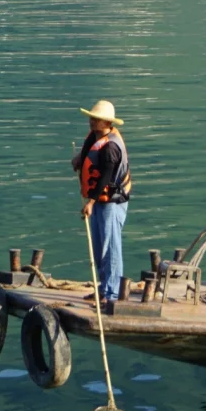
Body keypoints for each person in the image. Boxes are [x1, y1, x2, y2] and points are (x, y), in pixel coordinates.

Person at [73, 99, 131, 313]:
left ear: (106, 123)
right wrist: (79, 158)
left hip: (111, 203)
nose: (91, 121)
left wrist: (90, 202)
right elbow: (88, 151)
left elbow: (105, 177)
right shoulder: (94, 138)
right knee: (99, 246)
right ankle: (104, 287)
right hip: (98, 201)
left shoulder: (111, 148)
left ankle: (112, 293)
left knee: (110, 246)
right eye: (91, 117)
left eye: (96, 119)